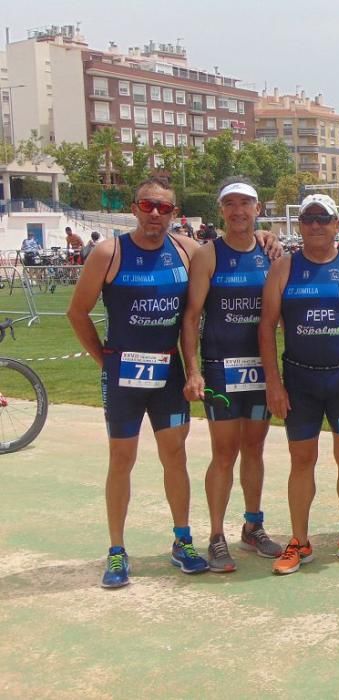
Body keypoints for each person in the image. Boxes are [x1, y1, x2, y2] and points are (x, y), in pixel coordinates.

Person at [67, 176, 206, 588]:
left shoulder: (187, 250)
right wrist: (104, 359)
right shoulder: (109, 253)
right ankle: (116, 551)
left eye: (164, 208)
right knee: (121, 460)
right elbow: (78, 313)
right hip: (124, 376)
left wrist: (266, 237)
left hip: (168, 375)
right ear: (134, 208)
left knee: (175, 456)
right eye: (148, 206)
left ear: (174, 213)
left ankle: (182, 540)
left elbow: (229, 252)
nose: (156, 215)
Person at [259, 193, 339, 573]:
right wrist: (273, 384)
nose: (316, 225)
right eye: (309, 219)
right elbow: (266, 328)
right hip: (300, 380)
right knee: (302, 460)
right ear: (300, 225)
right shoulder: (284, 267)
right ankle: (299, 541)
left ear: (336, 225)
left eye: (323, 219)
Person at [180, 177, 282, 573]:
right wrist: (193, 370)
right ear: (221, 210)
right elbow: (191, 318)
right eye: (231, 204)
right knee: (224, 452)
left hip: (260, 368)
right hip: (221, 368)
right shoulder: (209, 255)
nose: (238, 211)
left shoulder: (269, 252)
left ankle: (253, 525)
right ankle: (216, 535)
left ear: (257, 209)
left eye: (246, 204)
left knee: (255, 448)